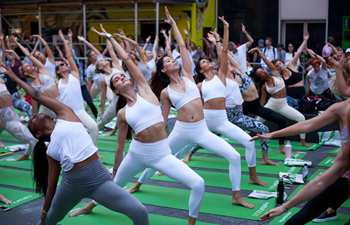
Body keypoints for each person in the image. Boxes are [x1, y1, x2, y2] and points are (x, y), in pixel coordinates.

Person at [69, 23, 204, 225]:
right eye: (116, 79)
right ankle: (89, 206)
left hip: (161, 153)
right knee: (114, 184)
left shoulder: (145, 89)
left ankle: (191, 222)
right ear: (115, 88)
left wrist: (110, 38)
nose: (121, 76)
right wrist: (116, 167)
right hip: (136, 154)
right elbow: (120, 146)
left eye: (122, 75)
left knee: (198, 183)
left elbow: (126, 60)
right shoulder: (123, 113)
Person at [1, 63, 149, 225]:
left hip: (99, 180)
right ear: (38, 133)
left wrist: (13, 77)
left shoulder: (66, 114)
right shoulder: (50, 151)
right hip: (71, 185)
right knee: (49, 221)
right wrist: (44, 210)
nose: (34, 116)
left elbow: (36, 95)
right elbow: (51, 185)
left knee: (139, 211)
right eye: (32, 120)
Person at [132, 10, 253, 208]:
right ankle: (138, 183)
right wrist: (152, 135)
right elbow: (162, 119)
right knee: (159, 156)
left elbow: (181, 46)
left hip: (201, 129)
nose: (173, 61)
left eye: (173, 59)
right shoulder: (165, 92)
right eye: (168, 61)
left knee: (233, 156)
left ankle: (236, 195)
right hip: (181, 130)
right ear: (163, 69)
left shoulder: (188, 75)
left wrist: (173, 24)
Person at [253, 57, 350, 225]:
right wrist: (285, 206)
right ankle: (330, 209)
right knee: (301, 216)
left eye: (338, 73)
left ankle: (331, 209)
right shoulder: (341, 109)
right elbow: (308, 125)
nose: (334, 78)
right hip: (345, 176)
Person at [195, 18, 265, 187]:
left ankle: (253, 176)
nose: (208, 62)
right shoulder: (199, 84)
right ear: (200, 69)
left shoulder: (221, 76)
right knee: (177, 146)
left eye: (207, 60)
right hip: (205, 122)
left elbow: (224, 52)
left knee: (249, 143)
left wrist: (224, 31)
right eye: (203, 62)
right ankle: (146, 176)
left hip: (222, 121)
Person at [251, 47, 308, 147]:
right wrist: (259, 109)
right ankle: (247, 136)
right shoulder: (264, 86)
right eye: (260, 74)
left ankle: (302, 141)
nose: (263, 72)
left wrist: (259, 52)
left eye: (263, 71)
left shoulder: (276, 74)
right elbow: (262, 101)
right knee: (257, 121)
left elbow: (267, 62)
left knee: (301, 118)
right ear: (260, 77)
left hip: (283, 105)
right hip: (272, 104)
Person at [56, 30, 98, 144]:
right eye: (61, 65)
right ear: (58, 71)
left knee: (94, 128)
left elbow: (69, 55)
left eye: (64, 64)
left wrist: (65, 40)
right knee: (64, 136)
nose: (64, 65)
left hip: (79, 111)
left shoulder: (74, 75)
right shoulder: (58, 82)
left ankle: (93, 150)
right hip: (66, 113)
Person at [0, 74, 37, 160]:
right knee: (32, 140)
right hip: (5, 116)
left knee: (32, 140)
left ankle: (27, 154)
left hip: (8, 115)